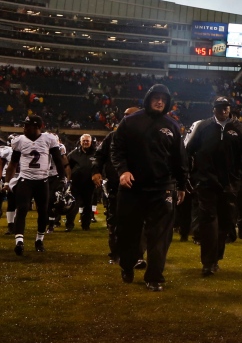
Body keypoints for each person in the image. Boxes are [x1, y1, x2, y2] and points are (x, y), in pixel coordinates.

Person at [110, 84, 189, 292]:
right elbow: (116, 150)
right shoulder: (129, 122)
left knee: (160, 235)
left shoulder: (172, 126)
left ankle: (155, 276)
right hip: (132, 188)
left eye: (164, 98)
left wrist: (181, 185)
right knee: (128, 232)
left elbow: (180, 159)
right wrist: (123, 171)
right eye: (156, 98)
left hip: (162, 189)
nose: (160, 102)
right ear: (148, 99)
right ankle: (127, 265)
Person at [185, 96, 242, 277]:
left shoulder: (240, 129)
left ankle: (216, 257)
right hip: (206, 182)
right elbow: (186, 149)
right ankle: (207, 263)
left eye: (225, 107)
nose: (223, 110)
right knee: (208, 220)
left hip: (230, 183)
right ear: (214, 109)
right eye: (219, 108)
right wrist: (187, 173)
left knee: (225, 222)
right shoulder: (201, 126)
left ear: (229, 109)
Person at [4, 116, 67, 255]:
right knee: (22, 208)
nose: (24, 128)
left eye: (28, 126)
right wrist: (7, 182)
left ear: (38, 127)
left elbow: (57, 160)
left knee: (43, 211)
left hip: (42, 180)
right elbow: (13, 163)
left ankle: (39, 240)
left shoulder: (49, 139)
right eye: (25, 125)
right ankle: (19, 241)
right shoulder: (20, 141)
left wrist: (62, 178)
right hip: (25, 180)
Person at [94, 106, 141, 264]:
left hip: (140, 186)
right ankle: (116, 253)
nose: (125, 118)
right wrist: (96, 171)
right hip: (116, 186)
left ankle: (137, 255)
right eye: (125, 115)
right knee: (115, 221)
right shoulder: (112, 136)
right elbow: (99, 156)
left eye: (130, 116)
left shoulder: (146, 137)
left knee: (139, 222)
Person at [66, 134, 98, 231]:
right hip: (76, 184)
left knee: (88, 205)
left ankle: (86, 225)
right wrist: (68, 179)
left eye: (87, 141)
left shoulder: (96, 153)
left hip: (90, 184)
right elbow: (68, 167)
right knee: (73, 205)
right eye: (83, 140)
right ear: (80, 142)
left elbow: (101, 166)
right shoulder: (73, 154)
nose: (85, 142)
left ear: (91, 142)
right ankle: (69, 225)